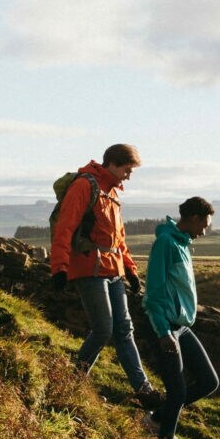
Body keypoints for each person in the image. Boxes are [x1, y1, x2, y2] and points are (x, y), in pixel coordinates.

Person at [50, 144, 158, 405]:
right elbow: (65, 227)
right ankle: (72, 380)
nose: (128, 177)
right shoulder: (84, 186)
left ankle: (144, 390)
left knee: (124, 329)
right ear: (112, 164)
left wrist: (130, 270)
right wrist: (60, 268)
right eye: (127, 170)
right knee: (103, 329)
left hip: (113, 269)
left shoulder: (113, 192)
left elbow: (119, 239)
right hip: (88, 267)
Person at [143, 196, 220, 439]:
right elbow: (153, 292)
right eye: (204, 225)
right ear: (194, 218)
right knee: (177, 392)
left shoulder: (183, 243)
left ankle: (157, 418)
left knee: (209, 381)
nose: (204, 232)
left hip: (182, 327)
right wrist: (163, 332)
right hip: (165, 326)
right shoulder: (166, 243)